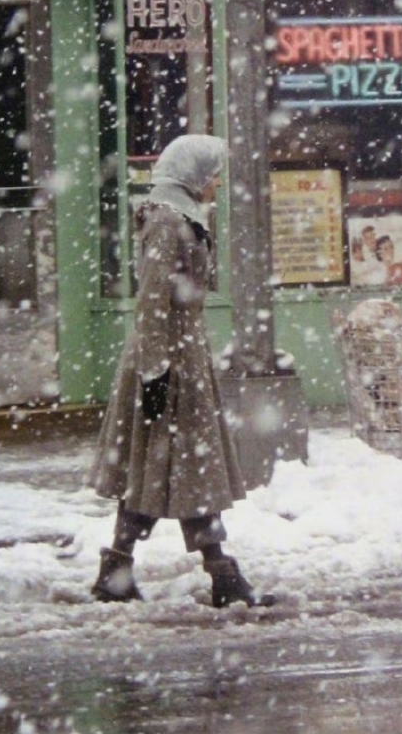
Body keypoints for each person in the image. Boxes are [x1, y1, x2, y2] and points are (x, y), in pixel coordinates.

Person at [89, 134, 266, 607]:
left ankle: (123, 571)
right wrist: (156, 372)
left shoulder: (179, 217)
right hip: (170, 362)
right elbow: (151, 303)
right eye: (213, 174)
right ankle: (219, 574)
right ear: (191, 175)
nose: (218, 184)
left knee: (165, 468)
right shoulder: (167, 223)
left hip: (181, 358)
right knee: (184, 467)